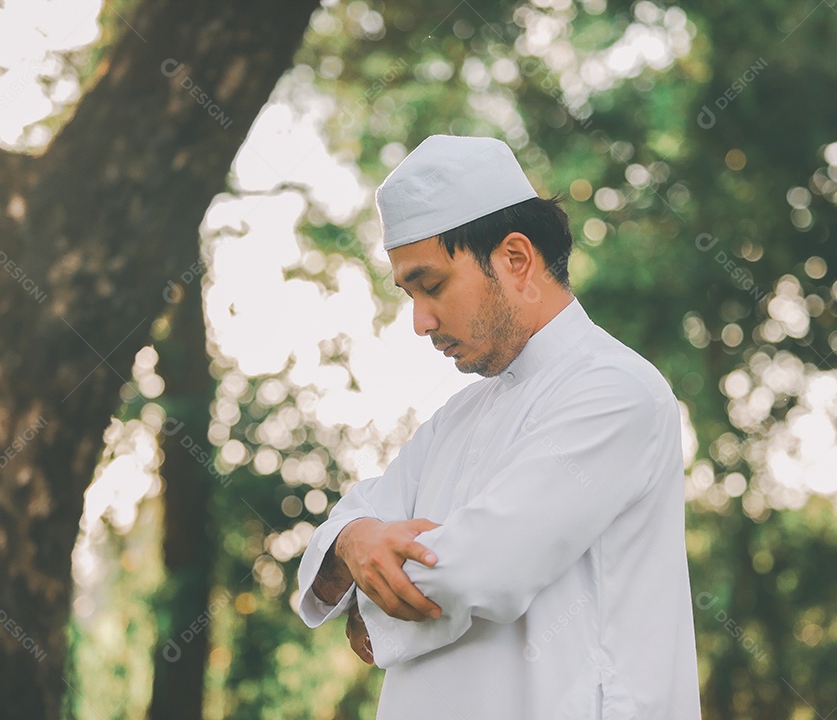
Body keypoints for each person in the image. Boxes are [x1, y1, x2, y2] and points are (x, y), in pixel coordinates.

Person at [296, 134, 702, 719]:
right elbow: (344, 525)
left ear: (515, 259)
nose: (419, 321)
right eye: (409, 293)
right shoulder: (453, 420)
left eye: (431, 286)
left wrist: (366, 582)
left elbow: (473, 571)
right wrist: (356, 542)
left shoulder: (617, 392)